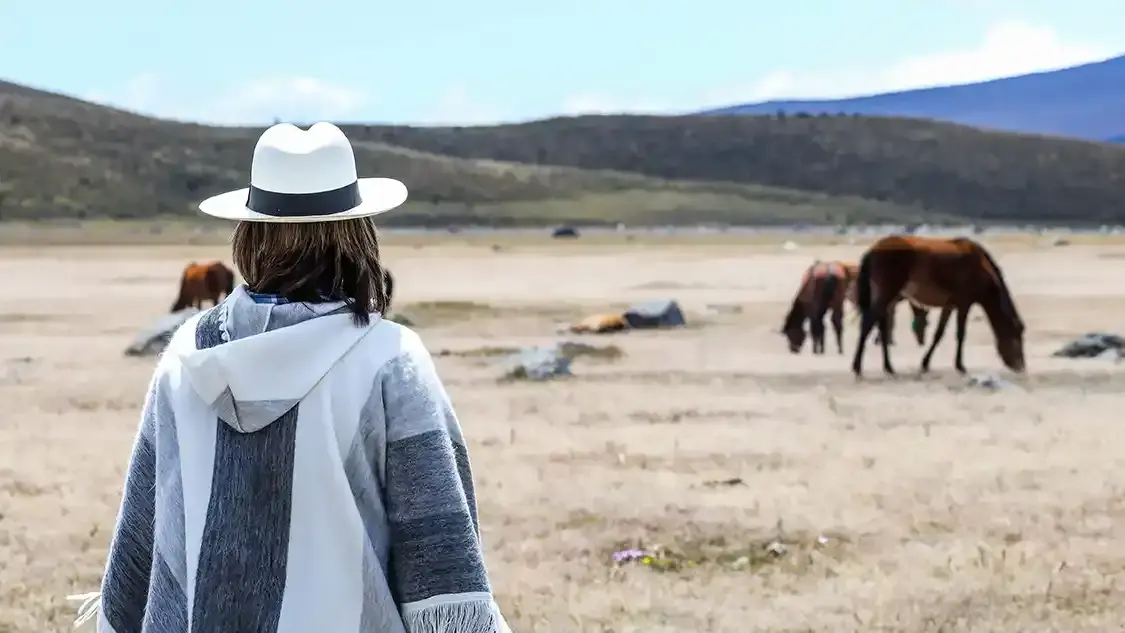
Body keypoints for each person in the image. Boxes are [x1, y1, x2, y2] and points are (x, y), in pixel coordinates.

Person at [74, 122, 509, 632]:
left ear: (250, 232)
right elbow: (439, 558)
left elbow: (144, 543)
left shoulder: (184, 357)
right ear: (357, 232)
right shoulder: (390, 359)